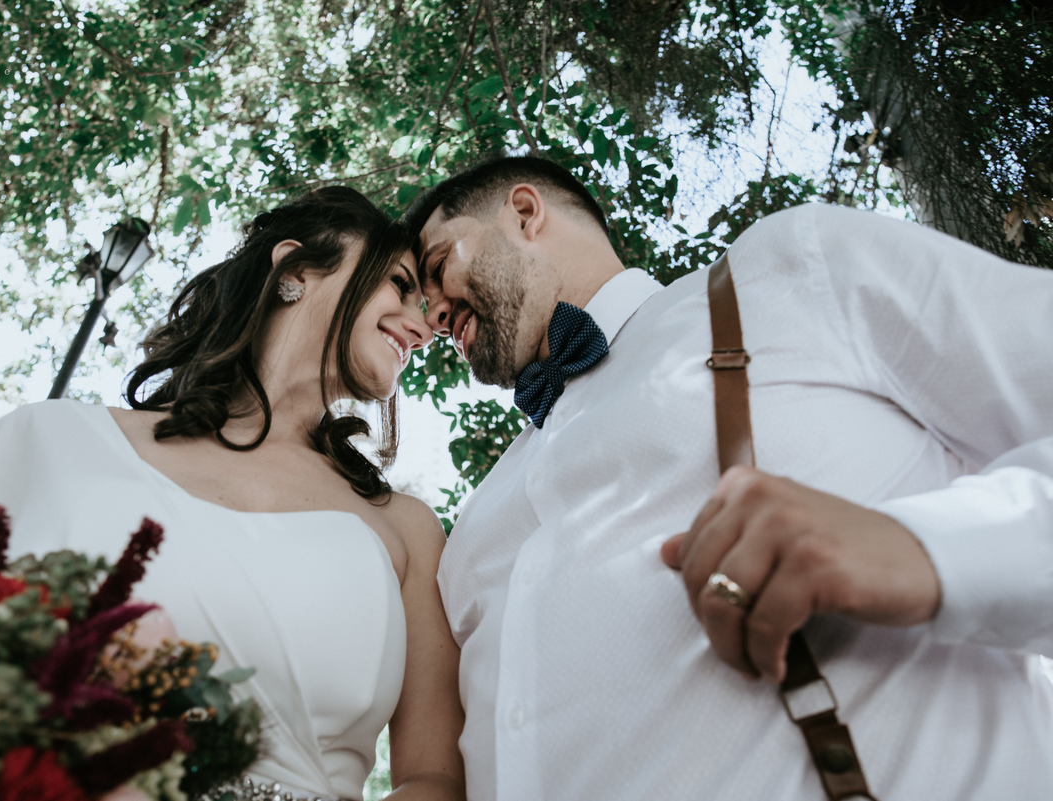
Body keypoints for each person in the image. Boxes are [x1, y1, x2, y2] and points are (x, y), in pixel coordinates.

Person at [405, 155, 1053, 800]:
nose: (431, 315)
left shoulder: (791, 268)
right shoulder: (467, 537)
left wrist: (924, 547)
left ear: (524, 212)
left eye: (435, 268)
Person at [0, 187, 466, 801]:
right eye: (399, 284)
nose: (424, 326)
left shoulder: (406, 530)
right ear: (294, 271)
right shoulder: (51, 441)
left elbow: (435, 778)